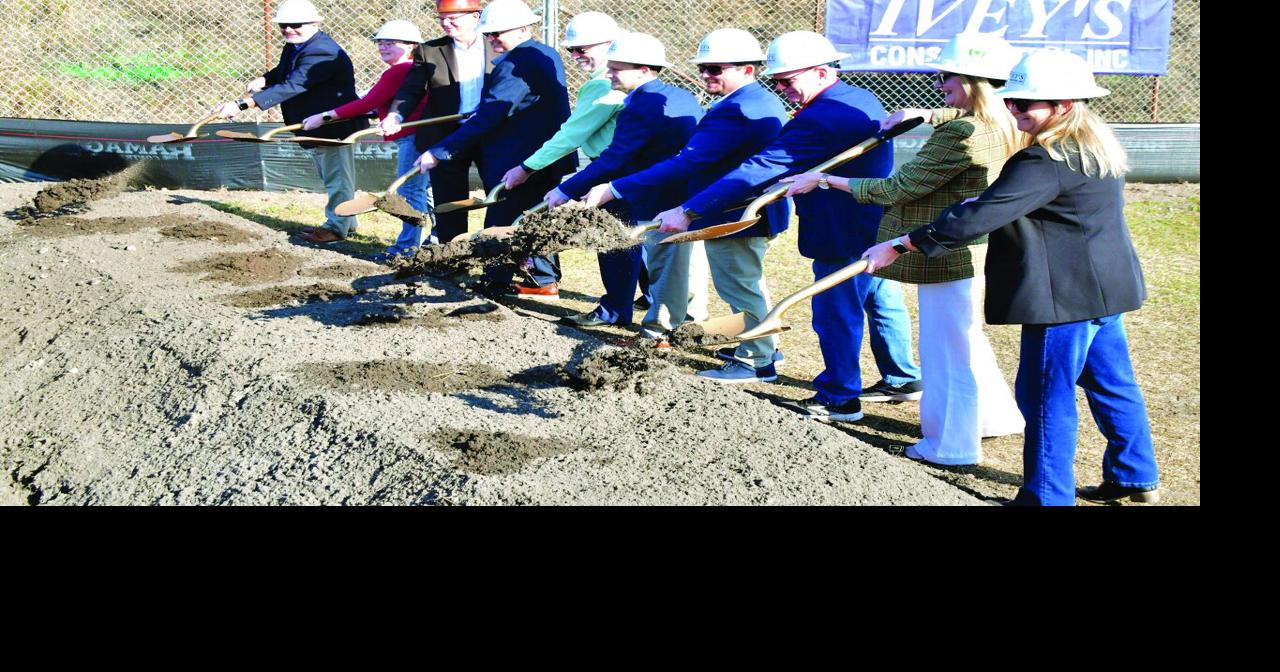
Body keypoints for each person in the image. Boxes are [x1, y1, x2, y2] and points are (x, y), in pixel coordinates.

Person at [861, 49, 1160, 506]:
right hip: (1106, 290)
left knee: (1043, 395)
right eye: (1011, 100)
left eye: (1025, 104)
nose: (1013, 109)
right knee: (1112, 385)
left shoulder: (1043, 161)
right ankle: (1134, 476)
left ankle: (1046, 496)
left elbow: (977, 215)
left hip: (1064, 302)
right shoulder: (1093, 145)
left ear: (1062, 106)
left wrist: (901, 244)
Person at [782, 33, 1026, 464]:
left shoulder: (961, 133)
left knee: (946, 350)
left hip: (948, 250)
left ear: (973, 79)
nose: (939, 84)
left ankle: (948, 445)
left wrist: (823, 180)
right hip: (974, 245)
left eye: (946, 77)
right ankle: (996, 418)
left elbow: (899, 187)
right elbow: (962, 114)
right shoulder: (1003, 121)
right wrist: (925, 113)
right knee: (965, 337)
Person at [653, 31, 910, 422]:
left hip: (841, 229)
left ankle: (840, 398)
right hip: (875, 223)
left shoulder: (824, 116)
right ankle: (901, 377)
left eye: (788, 80)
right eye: (777, 81)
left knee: (835, 312)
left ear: (822, 72)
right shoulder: (856, 98)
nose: (781, 89)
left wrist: (689, 210)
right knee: (881, 302)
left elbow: (760, 166)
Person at [583, 28, 790, 380]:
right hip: (739, 209)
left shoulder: (740, 108)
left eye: (717, 69)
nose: (708, 75)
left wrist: (614, 188)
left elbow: (687, 162)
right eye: (703, 68)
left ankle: (757, 361)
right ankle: (762, 346)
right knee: (745, 282)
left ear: (748, 69)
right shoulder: (751, 101)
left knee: (739, 285)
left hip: (735, 213)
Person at [415, 0, 575, 298]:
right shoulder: (544, 53)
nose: (491, 39)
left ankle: (493, 284)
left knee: (501, 220)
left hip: (520, 158)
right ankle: (541, 280)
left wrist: (440, 151)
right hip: (543, 155)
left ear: (524, 28)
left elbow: (490, 116)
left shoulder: (517, 63)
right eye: (487, 34)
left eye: (497, 33)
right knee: (532, 218)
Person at [545, 32, 705, 327]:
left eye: (617, 68)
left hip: (649, 193)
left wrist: (566, 189)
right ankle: (682, 318)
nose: (609, 73)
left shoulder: (639, 107)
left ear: (644, 70)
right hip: (684, 193)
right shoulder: (680, 95)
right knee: (679, 264)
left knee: (625, 247)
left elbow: (615, 158)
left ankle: (643, 323)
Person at [214, 0, 365, 244]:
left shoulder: (322, 51)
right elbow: (286, 71)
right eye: (283, 25)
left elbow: (294, 84)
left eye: (295, 25)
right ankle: (347, 221)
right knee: (334, 178)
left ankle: (336, 229)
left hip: (333, 127)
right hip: (316, 126)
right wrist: (265, 79)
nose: (288, 30)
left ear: (315, 23)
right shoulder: (298, 46)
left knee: (337, 179)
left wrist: (241, 105)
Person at [303, 20, 433, 261]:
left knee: (409, 193)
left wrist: (324, 116)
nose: (383, 47)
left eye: (390, 43)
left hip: (413, 138)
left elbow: (367, 102)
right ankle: (431, 241)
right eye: (380, 43)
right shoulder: (410, 69)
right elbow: (379, 104)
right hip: (417, 137)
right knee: (423, 192)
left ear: (411, 45)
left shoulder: (400, 70)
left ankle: (406, 250)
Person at [380, 0, 493, 247]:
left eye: (454, 17)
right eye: (442, 18)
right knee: (448, 200)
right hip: (446, 135)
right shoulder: (430, 50)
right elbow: (411, 90)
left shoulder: (497, 46)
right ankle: (451, 257)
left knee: (497, 194)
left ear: (475, 16)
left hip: (491, 133)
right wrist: (395, 115)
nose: (446, 23)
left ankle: (497, 253)